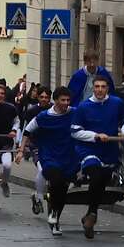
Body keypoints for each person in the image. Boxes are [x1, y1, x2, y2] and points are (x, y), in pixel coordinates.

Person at [71, 72, 124, 239]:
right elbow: (75, 131)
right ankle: (92, 214)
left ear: (107, 89)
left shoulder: (117, 103)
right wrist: (95, 136)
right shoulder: (84, 107)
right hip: (88, 150)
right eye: (97, 86)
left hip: (109, 151)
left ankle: (89, 214)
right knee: (96, 175)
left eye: (103, 87)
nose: (99, 90)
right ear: (93, 88)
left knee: (103, 181)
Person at [23, 86, 80, 237]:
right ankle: (53, 213)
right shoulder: (43, 116)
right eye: (63, 100)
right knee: (56, 181)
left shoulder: (74, 112)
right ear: (55, 100)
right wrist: (21, 150)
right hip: (50, 155)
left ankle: (55, 216)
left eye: (68, 100)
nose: (66, 103)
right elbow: (27, 131)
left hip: (69, 156)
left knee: (63, 188)